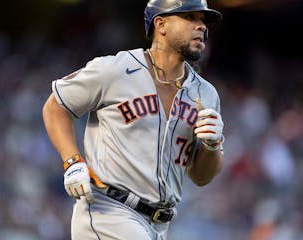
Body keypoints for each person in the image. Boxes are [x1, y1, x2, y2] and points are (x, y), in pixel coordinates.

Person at [42, 0, 224, 239]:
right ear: (161, 24)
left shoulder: (206, 95)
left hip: (159, 225)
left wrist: (212, 146)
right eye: (190, 17)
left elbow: (201, 177)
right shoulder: (116, 70)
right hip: (109, 211)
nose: (201, 26)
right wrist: (72, 161)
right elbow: (56, 106)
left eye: (203, 20)